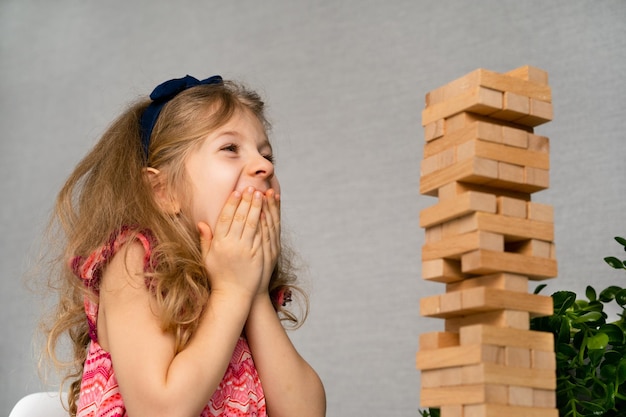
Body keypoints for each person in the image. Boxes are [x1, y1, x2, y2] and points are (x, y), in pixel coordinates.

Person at [41, 74, 326, 417]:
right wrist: (232, 290)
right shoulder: (136, 261)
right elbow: (159, 410)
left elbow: (305, 412)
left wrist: (254, 292)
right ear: (164, 192)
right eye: (230, 149)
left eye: (267, 155)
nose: (264, 165)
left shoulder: (239, 280)